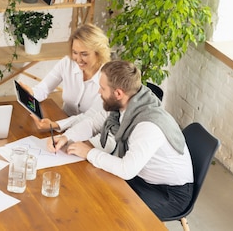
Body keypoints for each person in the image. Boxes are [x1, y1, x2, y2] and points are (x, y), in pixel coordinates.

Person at [49, 60, 194, 220]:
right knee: (89, 191)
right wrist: (66, 137)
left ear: (118, 93)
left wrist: (89, 152)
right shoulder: (127, 102)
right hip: (141, 177)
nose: (99, 92)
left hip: (168, 193)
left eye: (102, 88)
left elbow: (126, 170)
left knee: (109, 213)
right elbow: (94, 122)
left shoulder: (148, 126)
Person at [18, 23, 111, 139]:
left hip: (91, 135)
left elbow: (90, 118)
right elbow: (44, 87)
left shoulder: (108, 79)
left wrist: (56, 125)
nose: (78, 59)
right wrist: (32, 93)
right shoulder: (67, 63)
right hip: (63, 127)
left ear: (99, 53)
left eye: (84, 54)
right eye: (75, 52)